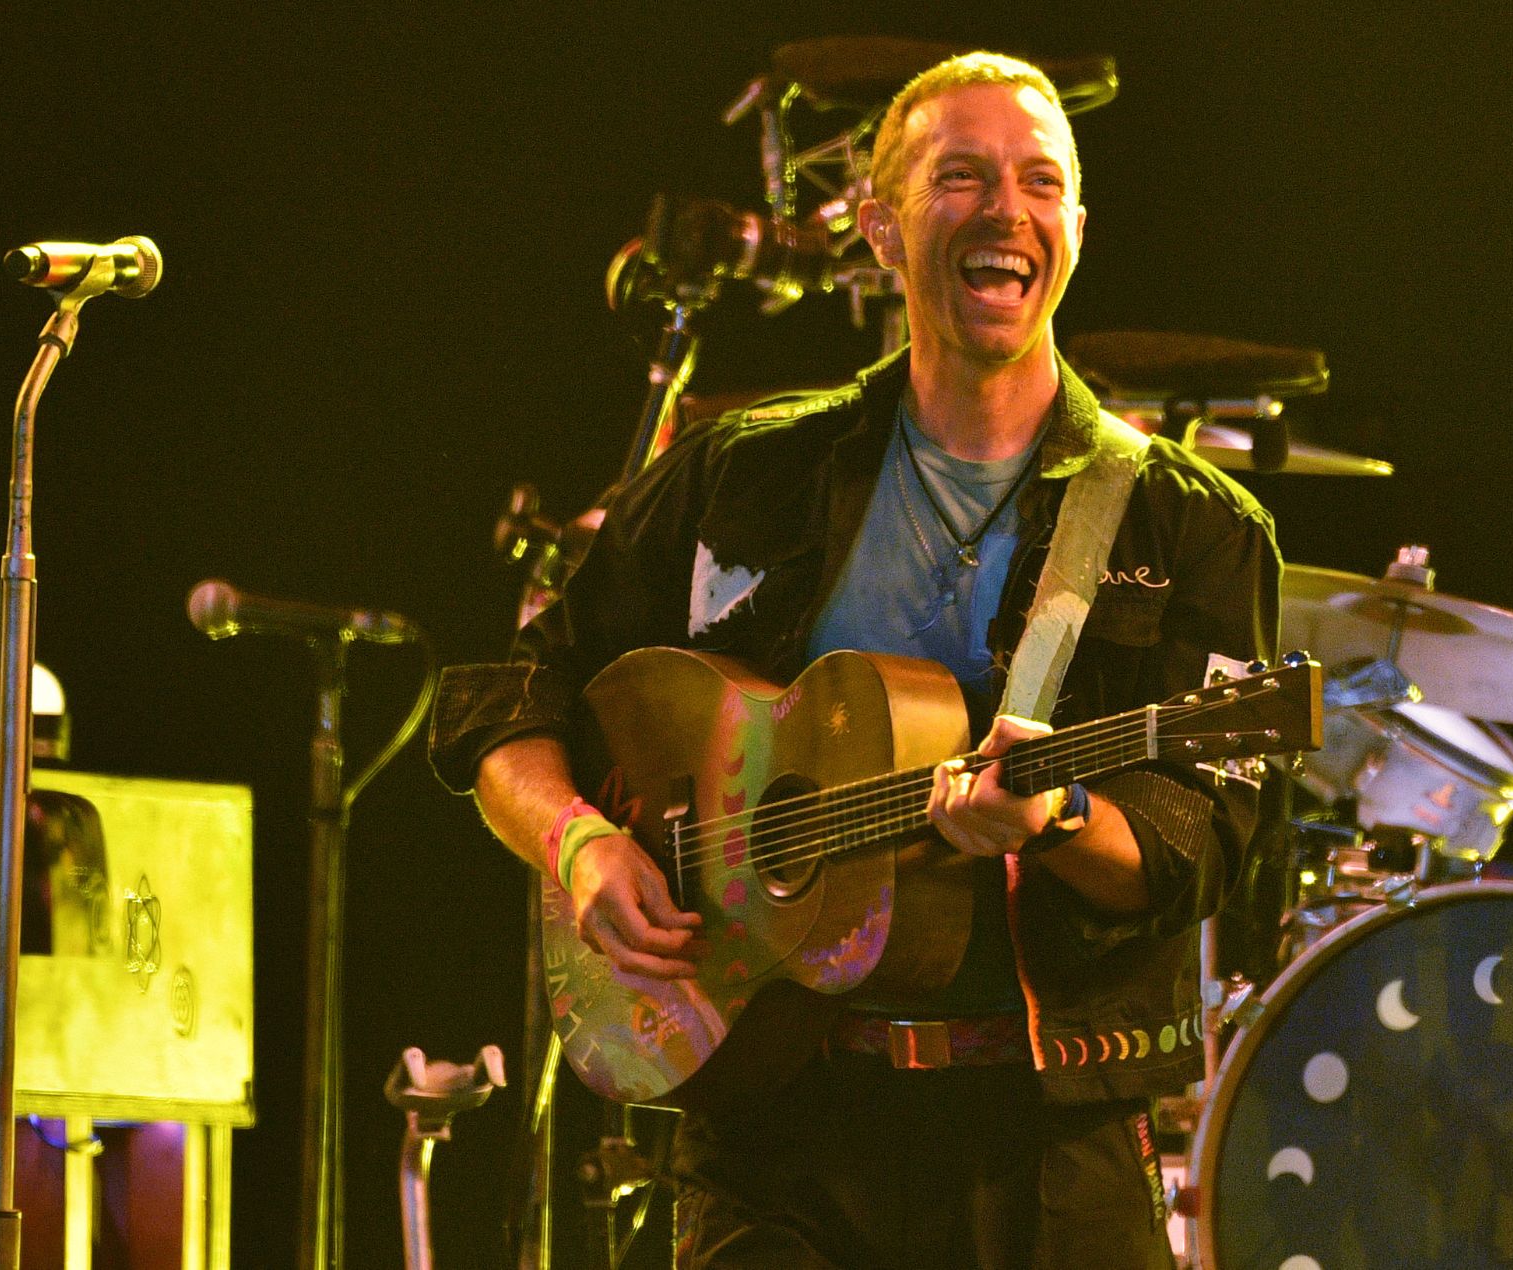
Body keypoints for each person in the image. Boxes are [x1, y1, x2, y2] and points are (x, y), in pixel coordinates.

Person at [430, 50, 1279, 1269]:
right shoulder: (744, 471)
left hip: (1038, 1145)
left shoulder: (1183, 524)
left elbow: (1199, 842)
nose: (1006, 212)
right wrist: (581, 843)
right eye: (962, 178)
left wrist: (1053, 819)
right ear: (878, 228)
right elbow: (514, 690)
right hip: (769, 1122)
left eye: (1040, 184)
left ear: (1077, 230)